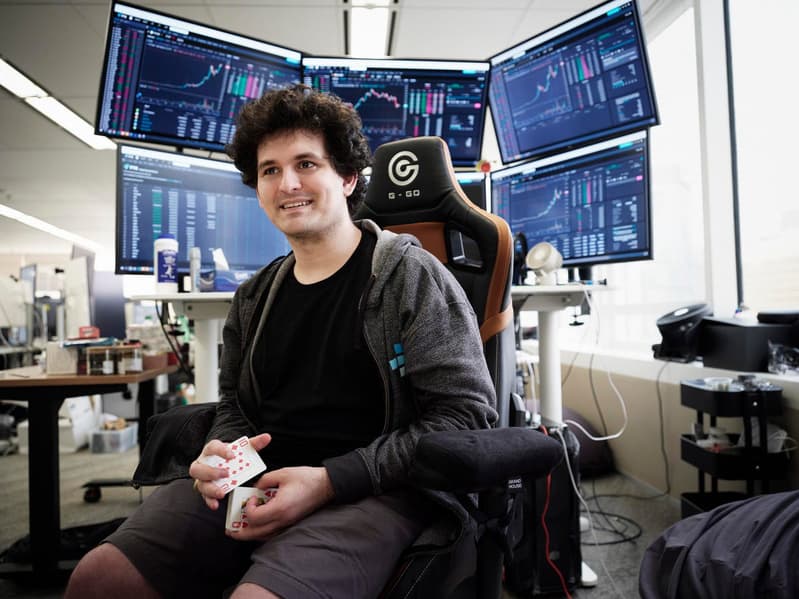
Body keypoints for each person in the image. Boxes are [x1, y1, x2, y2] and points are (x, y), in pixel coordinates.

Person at [65, 84, 497, 599]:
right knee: (98, 578)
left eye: (306, 164)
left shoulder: (409, 276)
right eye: (270, 170)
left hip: (375, 490)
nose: (287, 183)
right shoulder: (254, 296)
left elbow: (464, 417)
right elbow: (235, 405)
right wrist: (224, 457)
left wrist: (330, 480)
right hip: (258, 482)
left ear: (347, 177)